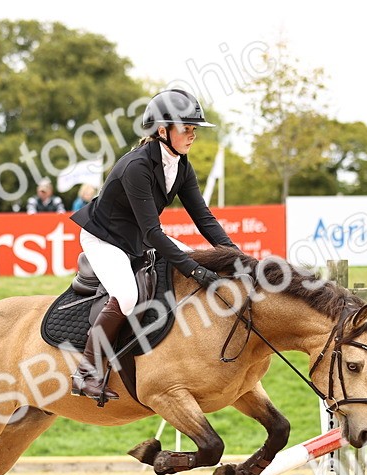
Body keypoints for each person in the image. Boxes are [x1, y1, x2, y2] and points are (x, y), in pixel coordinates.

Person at [68, 88, 239, 401]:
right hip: (105, 238)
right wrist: (196, 271)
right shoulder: (137, 167)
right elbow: (152, 233)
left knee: (192, 258)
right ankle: (86, 372)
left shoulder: (182, 166)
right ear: (163, 131)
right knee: (128, 295)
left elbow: (205, 219)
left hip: (136, 235)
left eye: (194, 129)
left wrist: (237, 257)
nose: (192, 135)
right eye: (186, 128)